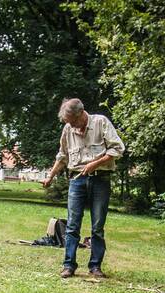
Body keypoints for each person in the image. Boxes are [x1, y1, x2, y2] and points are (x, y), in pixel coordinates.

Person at [41, 98, 125, 279]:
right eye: (68, 122)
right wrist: (50, 176)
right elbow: (62, 156)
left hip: (100, 180)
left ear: (82, 113)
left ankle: (95, 267)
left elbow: (117, 149)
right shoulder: (68, 129)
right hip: (76, 181)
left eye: (73, 121)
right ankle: (68, 265)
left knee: (97, 226)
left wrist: (95, 164)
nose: (71, 125)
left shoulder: (101, 122)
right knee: (72, 225)